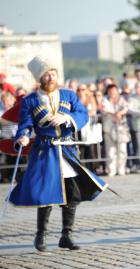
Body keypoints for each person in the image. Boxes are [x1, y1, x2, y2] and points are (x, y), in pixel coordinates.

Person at [9, 56, 108, 252]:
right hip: (45, 152)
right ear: (40, 77)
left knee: (72, 194)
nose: (51, 76)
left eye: (53, 73)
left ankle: (66, 235)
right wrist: (23, 137)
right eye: (47, 74)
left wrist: (66, 117)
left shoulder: (68, 95)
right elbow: (25, 125)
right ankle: (41, 235)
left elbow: (83, 114)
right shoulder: (30, 101)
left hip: (67, 151)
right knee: (45, 193)